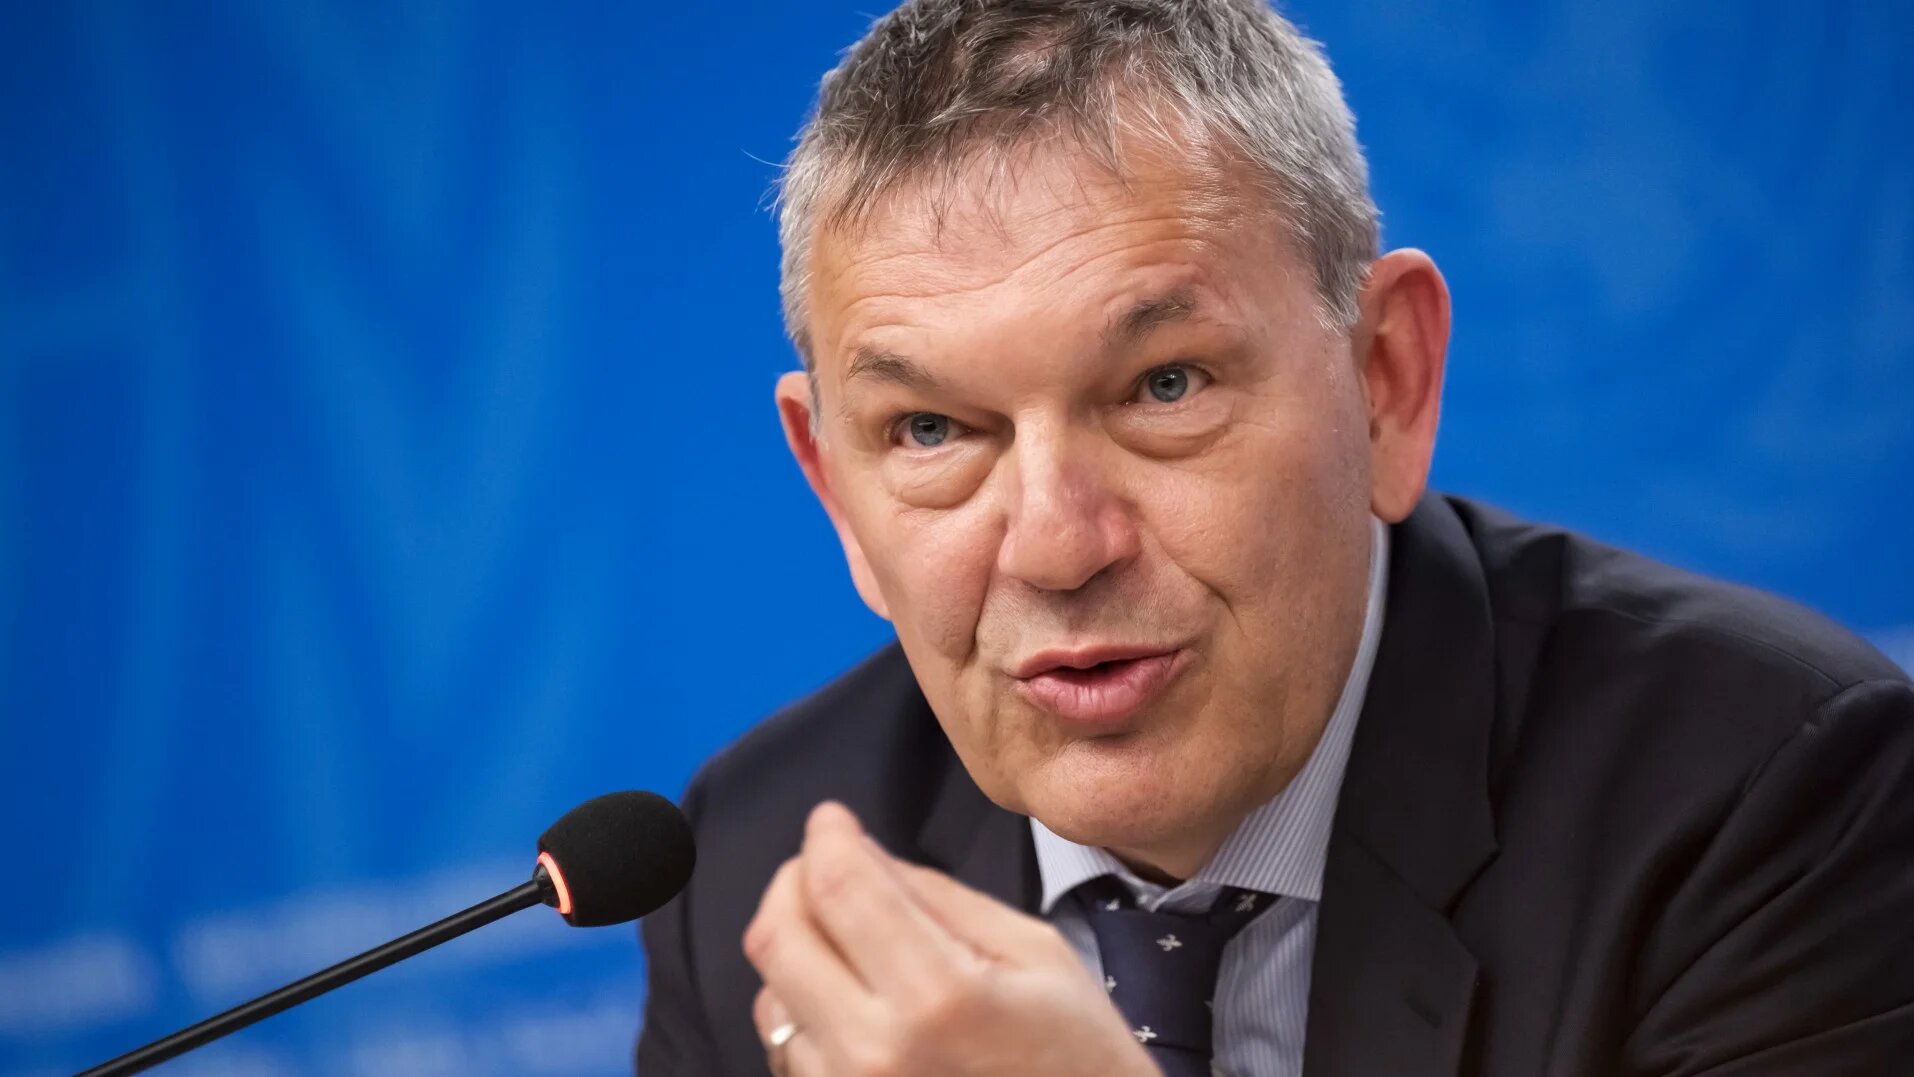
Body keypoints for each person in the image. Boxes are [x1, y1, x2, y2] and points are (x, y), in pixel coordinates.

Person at [636, 1, 1914, 1074]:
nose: (1056, 547)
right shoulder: (757, 870)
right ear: (834, 490)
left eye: (1164, 388)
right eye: (928, 430)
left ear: (1387, 380)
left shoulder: (1770, 799)